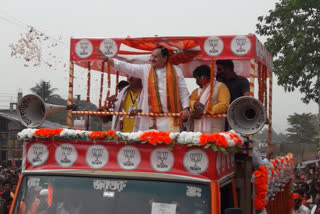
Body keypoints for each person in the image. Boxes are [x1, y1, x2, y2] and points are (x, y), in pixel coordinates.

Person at [97, 46, 190, 132]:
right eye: (152, 56)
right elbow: (127, 67)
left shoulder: (176, 71)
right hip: (150, 117)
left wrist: (186, 108)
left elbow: (183, 92)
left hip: (170, 117)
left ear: (165, 58)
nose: (152, 59)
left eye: (156, 57)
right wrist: (108, 60)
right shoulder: (146, 69)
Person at [189, 65, 230, 133]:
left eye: (197, 79)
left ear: (204, 77)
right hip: (198, 127)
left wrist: (205, 111)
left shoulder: (221, 87)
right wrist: (194, 104)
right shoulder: (196, 91)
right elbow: (190, 101)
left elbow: (224, 105)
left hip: (215, 127)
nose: (196, 82)